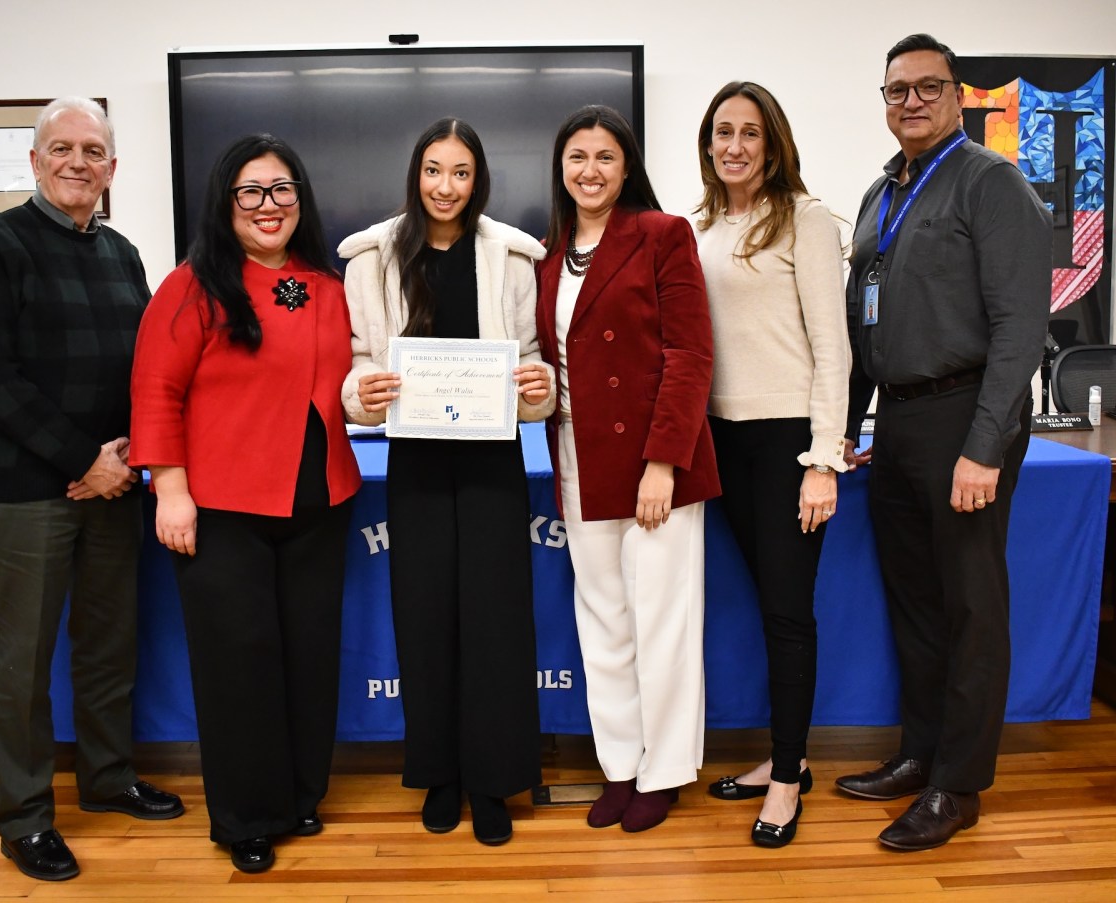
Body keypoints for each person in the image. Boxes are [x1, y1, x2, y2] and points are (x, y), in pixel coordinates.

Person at [0, 96, 183, 882]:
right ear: (36, 162)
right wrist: (82, 460)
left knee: (109, 647)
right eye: (63, 149)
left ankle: (109, 776)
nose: (79, 162)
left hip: (115, 487)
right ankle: (23, 817)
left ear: (113, 169)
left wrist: (128, 457)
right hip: (31, 494)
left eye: (94, 150)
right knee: (22, 663)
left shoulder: (122, 255)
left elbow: (148, 370)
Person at [835, 34, 1051, 851]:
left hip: (967, 416)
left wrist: (985, 446)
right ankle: (919, 754)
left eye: (929, 88)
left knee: (969, 606)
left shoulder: (991, 183)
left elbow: (1021, 327)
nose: (912, 102)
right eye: (897, 90)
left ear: (959, 97)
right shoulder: (877, 194)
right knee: (917, 603)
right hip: (900, 422)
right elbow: (863, 323)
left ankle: (957, 785)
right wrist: (851, 426)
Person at [129, 134, 362, 872]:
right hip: (221, 504)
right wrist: (170, 488)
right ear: (225, 202)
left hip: (317, 498)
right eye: (252, 191)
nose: (270, 205)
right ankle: (247, 816)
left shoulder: (325, 284)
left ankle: (299, 794)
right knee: (240, 664)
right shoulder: (193, 284)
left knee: (307, 655)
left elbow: (348, 384)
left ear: (302, 199)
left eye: (283, 189)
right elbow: (155, 391)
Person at [339, 118, 552, 845]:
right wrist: (360, 390)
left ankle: (493, 782)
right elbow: (357, 359)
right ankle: (440, 775)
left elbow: (535, 370)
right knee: (426, 620)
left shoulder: (513, 257)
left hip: (493, 460)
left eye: (461, 173)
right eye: (434, 170)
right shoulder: (369, 258)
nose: (446, 187)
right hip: (417, 462)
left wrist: (536, 385)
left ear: (478, 179)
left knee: (495, 623)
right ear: (416, 173)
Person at [535, 105, 719, 833]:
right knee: (603, 619)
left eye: (605, 156)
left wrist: (663, 463)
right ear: (560, 166)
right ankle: (620, 763)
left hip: (652, 459)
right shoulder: (548, 256)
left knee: (662, 621)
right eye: (576, 155)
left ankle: (664, 769)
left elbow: (690, 354)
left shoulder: (662, 234)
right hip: (580, 451)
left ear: (627, 164)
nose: (589, 169)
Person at [695, 82, 850, 848]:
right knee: (767, 605)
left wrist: (824, 459)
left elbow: (834, 348)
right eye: (722, 132)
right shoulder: (700, 228)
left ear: (772, 141)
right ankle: (778, 756)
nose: (734, 145)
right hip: (722, 441)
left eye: (749, 132)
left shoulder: (806, 220)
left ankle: (788, 779)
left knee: (788, 615)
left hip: (787, 441)